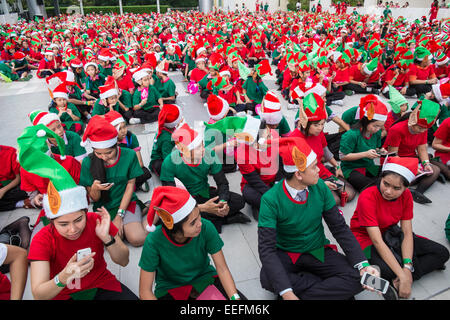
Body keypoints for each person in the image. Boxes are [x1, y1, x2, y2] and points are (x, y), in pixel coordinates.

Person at [17, 124, 138, 300]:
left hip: (100, 284)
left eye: (78, 219)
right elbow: (39, 294)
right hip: (63, 293)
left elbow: (124, 261)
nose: (73, 229)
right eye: (63, 224)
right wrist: (63, 277)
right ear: (51, 220)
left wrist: (108, 239)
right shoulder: (42, 239)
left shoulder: (95, 220)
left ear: (85, 211)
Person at [258, 137, 380, 300]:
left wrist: (363, 264)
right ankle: (325, 288)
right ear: (298, 174)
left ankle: (302, 291)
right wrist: (287, 293)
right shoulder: (270, 199)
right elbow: (266, 248)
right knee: (267, 278)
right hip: (287, 252)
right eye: (314, 166)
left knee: (359, 277)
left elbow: (339, 228)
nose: (319, 170)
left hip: (317, 249)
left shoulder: (320, 187)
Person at [350, 156, 450, 299]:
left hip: (391, 233)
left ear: (406, 187)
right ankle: (402, 277)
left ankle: (398, 282)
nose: (389, 191)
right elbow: (377, 241)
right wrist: (402, 274)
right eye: (386, 184)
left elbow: (407, 233)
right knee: (388, 271)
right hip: (365, 237)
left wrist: (407, 270)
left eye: (396, 188)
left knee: (442, 253)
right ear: (381, 178)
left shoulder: (407, 196)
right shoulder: (368, 196)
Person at [139, 186, 246, 300]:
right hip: (170, 288)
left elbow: (222, 269)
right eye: (193, 222)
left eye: (198, 215)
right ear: (174, 229)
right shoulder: (153, 241)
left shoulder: (205, 226)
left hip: (204, 278)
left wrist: (235, 298)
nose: (199, 223)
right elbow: (145, 292)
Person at [160, 122, 249, 233]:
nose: (203, 149)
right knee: (175, 216)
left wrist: (223, 202)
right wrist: (202, 208)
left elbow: (222, 183)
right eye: (197, 147)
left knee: (239, 200)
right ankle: (225, 219)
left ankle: (209, 219)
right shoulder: (169, 162)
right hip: (186, 199)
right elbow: (171, 197)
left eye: (202, 144)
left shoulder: (209, 154)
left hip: (205, 193)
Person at [79, 116, 148, 247]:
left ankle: (152, 212)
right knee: (115, 240)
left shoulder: (129, 155)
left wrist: (119, 216)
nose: (104, 157)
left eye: (108, 153)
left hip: (126, 204)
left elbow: (130, 186)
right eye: (98, 153)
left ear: (116, 143)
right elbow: (94, 198)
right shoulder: (89, 162)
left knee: (136, 239)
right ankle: (142, 211)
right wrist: (95, 188)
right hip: (104, 208)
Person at [290, 93, 356, 205]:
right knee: (334, 200)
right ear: (305, 123)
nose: (320, 128)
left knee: (349, 194)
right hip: (305, 178)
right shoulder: (294, 139)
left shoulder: (319, 133)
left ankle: (332, 177)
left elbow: (326, 152)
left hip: (320, 169)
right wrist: (320, 183)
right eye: (316, 125)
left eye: (322, 124)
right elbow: (296, 173)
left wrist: (337, 166)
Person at [383, 99, 442, 204]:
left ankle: (418, 192)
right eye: (419, 128)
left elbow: (422, 148)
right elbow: (393, 156)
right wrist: (412, 167)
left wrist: (425, 163)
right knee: (398, 178)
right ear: (413, 120)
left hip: (411, 158)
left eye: (424, 129)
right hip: (396, 161)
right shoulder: (397, 129)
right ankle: (410, 186)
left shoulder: (423, 128)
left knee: (435, 169)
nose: (422, 131)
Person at [339, 98, 389, 192]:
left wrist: (380, 151)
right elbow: (343, 156)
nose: (378, 129)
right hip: (351, 168)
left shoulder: (376, 133)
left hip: (368, 166)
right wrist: (365, 154)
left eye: (380, 126)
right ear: (365, 121)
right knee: (372, 187)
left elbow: (376, 147)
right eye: (375, 126)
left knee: (392, 174)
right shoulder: (351, 135)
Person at [105, 111, 152, 192]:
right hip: (115, 170)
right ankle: (135, 185)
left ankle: (128, 186)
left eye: (124, 127)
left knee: (145, 173)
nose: (124, 131)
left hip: (130, 168)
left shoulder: (131, 137)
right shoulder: (107, 142)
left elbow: (140, 163)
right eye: (120, 129)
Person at [150, 104, 183, 176]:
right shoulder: (167, 139)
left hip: (166, 153)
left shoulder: (165, 127)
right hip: (159, 160)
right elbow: (167, 158)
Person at [0, 145, 30, 212]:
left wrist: (3, 190)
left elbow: (18, 178)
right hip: (3, 189)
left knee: (26, 189)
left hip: (15, 185)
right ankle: (21, 203)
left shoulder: (10, 151)